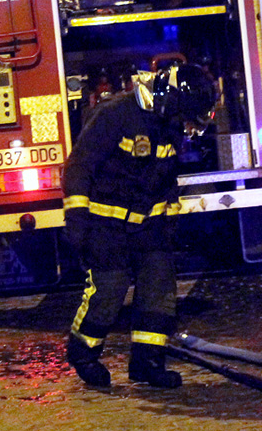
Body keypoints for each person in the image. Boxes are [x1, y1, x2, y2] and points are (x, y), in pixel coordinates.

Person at [62, 63, 217, 389]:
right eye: (190, 121)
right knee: (108, 291)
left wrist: (169, 220)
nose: (190, 130)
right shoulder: (115, 115)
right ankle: (83, 354)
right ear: (174, 101)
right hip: (106, 226)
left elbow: (164, 176)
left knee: (160, 290)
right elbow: (79, 166)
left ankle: (147, 364)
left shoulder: (168, 123)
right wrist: (76, 219)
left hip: (149, 227)